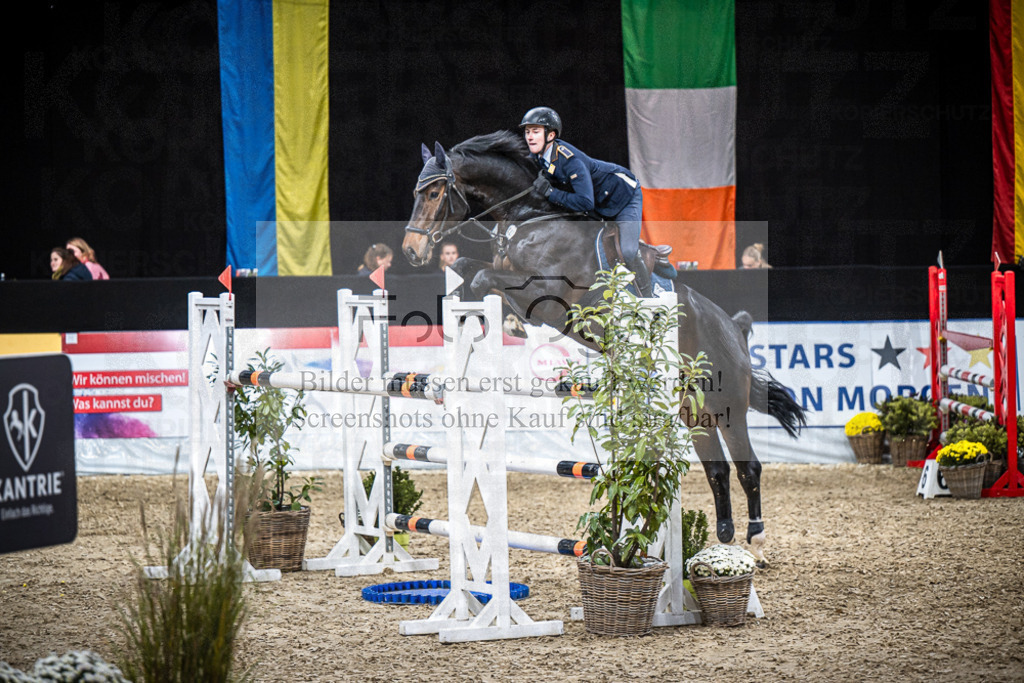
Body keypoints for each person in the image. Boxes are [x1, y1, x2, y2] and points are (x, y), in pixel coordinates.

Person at [520, 106, 652, 297]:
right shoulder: (538, 155)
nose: (530, 137)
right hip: (599, 204)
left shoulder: (570, 161)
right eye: (527, 132)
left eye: (535, 131)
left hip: (623, 197)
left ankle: (648, 298)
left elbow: (585, 202)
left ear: (551, 135)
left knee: (629, 251)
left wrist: (552, 193)